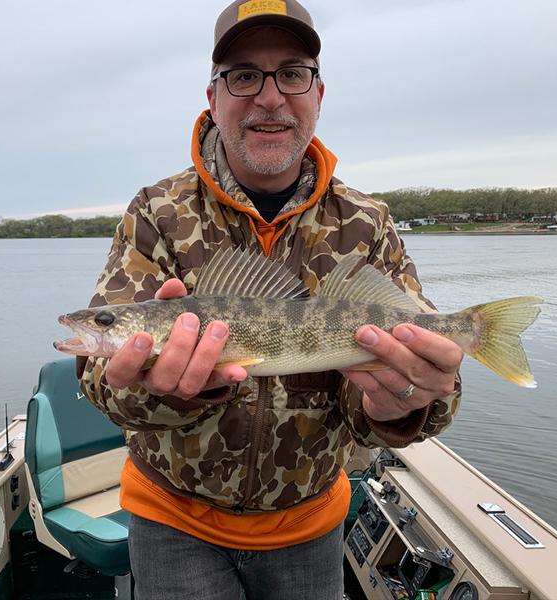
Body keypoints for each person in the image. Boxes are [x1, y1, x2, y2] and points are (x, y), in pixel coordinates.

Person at [78, 1, 463, 598]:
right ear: (213, 96)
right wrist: (160, 392)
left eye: (291, 73)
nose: (270, 97)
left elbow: (431, 390)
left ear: (318, 92)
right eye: (244, 75)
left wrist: (402, 405)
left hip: (310, 527)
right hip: (171, 521)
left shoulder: (368, 223)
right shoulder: (155, 213)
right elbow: (100, 382)